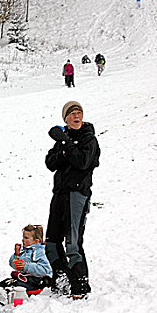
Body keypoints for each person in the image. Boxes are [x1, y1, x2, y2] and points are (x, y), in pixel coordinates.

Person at [45, 101, 100, 299]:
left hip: (77, 194)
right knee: (51, 241)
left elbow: (82, 162)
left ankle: (80, 286)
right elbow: (50, 163)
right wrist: (62, 144)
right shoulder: (63, 140)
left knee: (73, 242)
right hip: (59, 194)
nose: (77, 116)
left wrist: (66, 144)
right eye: (72, 113)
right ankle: (62, 279)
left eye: (79, 112)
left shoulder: (89, 139)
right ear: (65, 119)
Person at [0, 225, 52, 291]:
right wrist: (16, 255)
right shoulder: (24, 251)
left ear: (36, 241)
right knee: (8, 281)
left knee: (18, 285)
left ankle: (8, 289)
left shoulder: (40, 252)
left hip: (37, 280)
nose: (23, 240)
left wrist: (26, 266)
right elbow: (15, 266)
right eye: (23, 237)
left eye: (26, 238)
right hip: (24, 277)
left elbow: (45, 270)